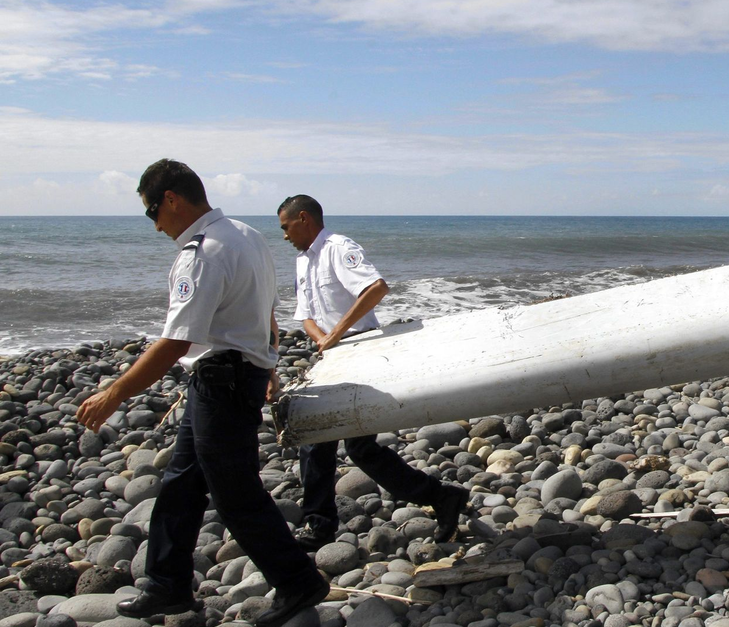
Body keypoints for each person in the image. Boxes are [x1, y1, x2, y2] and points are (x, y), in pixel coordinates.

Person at [77, 160, 328, 627]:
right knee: (182, 483)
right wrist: (267, 362)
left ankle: (297, 580)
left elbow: (175, 342)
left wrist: (115, 392)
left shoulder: (204, 251)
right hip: (229, 376)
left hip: (222, 381)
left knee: (235, 494)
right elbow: (263, 308)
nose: (155, 226)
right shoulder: (245, 235)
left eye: (152, 212)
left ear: (171, 199)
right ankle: (167, 583)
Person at [277, 195, 469, 549]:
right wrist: (323, 339)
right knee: (332, 442)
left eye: (286, 227)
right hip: (331, 355)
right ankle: (439, 497)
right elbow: (305, 313)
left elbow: (375, 288)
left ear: (303, 218)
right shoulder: (303, 261)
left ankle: (320, 525)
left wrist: (336, 335)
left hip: (360, 349)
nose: (284, 236)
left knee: (344, 443)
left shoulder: (338, 248)